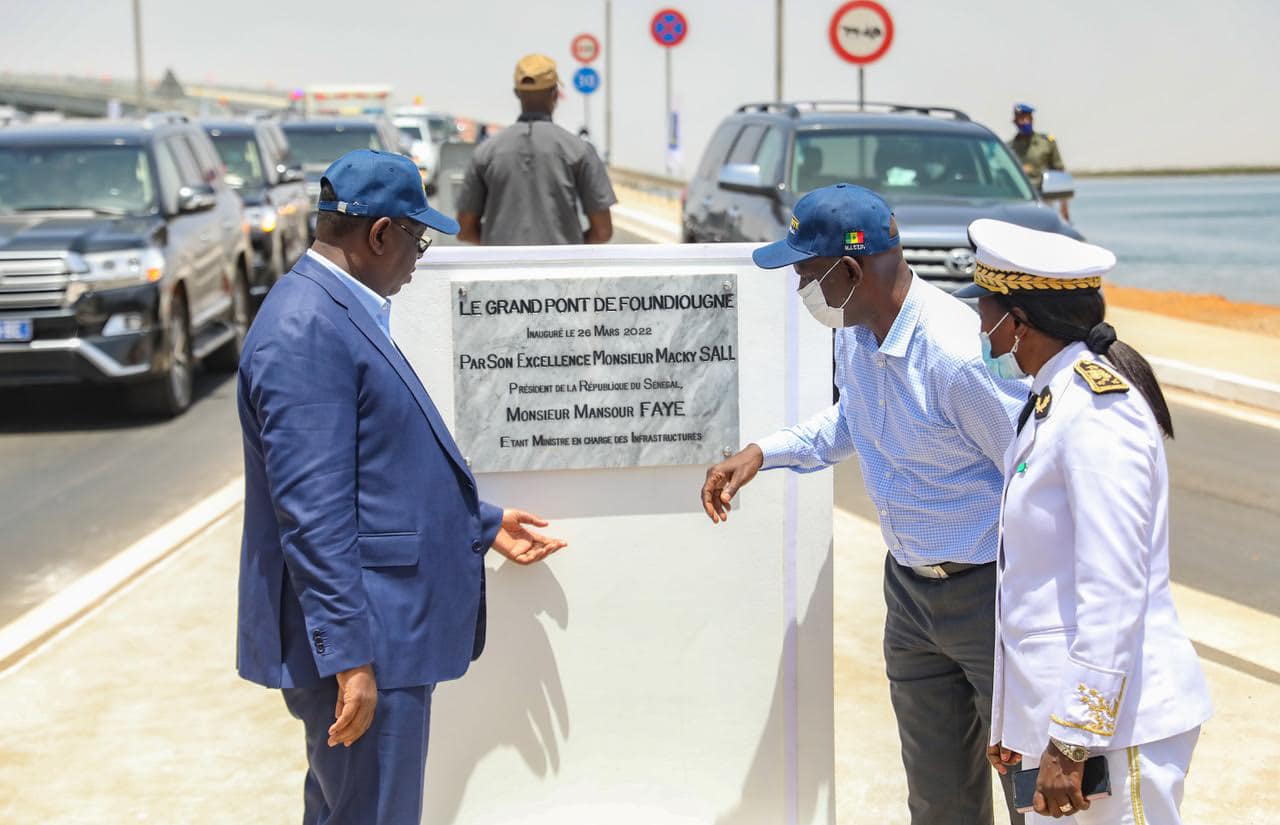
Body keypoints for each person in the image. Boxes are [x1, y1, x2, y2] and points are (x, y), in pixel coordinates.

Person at [236, 148, 567, 824]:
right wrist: (351, 659)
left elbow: (379, 469)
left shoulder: (334, 309)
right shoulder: (306, 330)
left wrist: (481, 521)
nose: (420, 254)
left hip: (378, 630)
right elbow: (312, 512)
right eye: (416, 236)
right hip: (367, 642)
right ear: (379, 234)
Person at [701, 184, 1029, 825]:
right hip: (911, 597)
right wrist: (764, 452)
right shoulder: (857, 333)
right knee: (938, 800)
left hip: (990, 597)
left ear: (849, 271)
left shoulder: (957, 358)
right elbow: (854, 422)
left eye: (806, 275)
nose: (802, 290)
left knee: (1028, 788)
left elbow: (1031, 472)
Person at [955, 219, 1212, 823]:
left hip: (1115, 731)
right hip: (1061, 727)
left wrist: (1072, 739)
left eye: (985, 312)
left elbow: (1113, 591)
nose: (980, 329)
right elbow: (1029, 589)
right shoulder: (1055, 399)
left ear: (1018, 321)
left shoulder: (1099, 414)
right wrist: (1013, 722)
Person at [455, 54, 616, 245]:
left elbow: (464, 230)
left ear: (516, 93)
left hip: (502, 271)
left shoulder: (486, 152)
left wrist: (496, 250)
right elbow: (603, 231)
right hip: (562, 271)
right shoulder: (579, 150)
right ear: (555, 94)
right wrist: (571, 253)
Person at [1008, 103, 1070, 221]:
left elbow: (1059, 172)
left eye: (1026, 118)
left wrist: (1064, 206)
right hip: (1017, 201)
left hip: (1043, 199)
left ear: (1032, 119)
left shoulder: (1046, 142)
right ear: (1015, 121)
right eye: (1020, 119)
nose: (1024, 122)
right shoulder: (1009, 147)